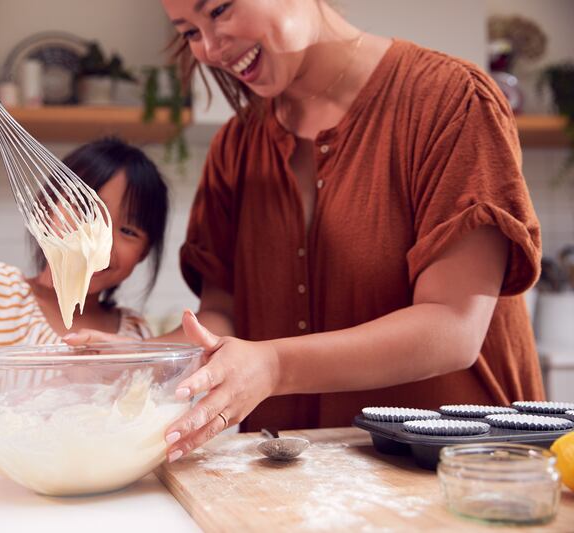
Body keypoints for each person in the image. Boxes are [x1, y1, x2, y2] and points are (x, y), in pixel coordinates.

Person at [65, 0, 543, 464]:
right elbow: (223, 318)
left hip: (464, 471)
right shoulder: (236, 146)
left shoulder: (452, 101)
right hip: (300, 481)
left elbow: (452, 329)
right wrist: (149, 359)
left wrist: (274, 365)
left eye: (219, 10)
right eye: (189, 31)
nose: (209, 47)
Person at [0, 21, 169, 456]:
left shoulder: (133, 334)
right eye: (87, 208)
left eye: (128, 230)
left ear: (145, 253)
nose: (99, 235)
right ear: (43, 208)